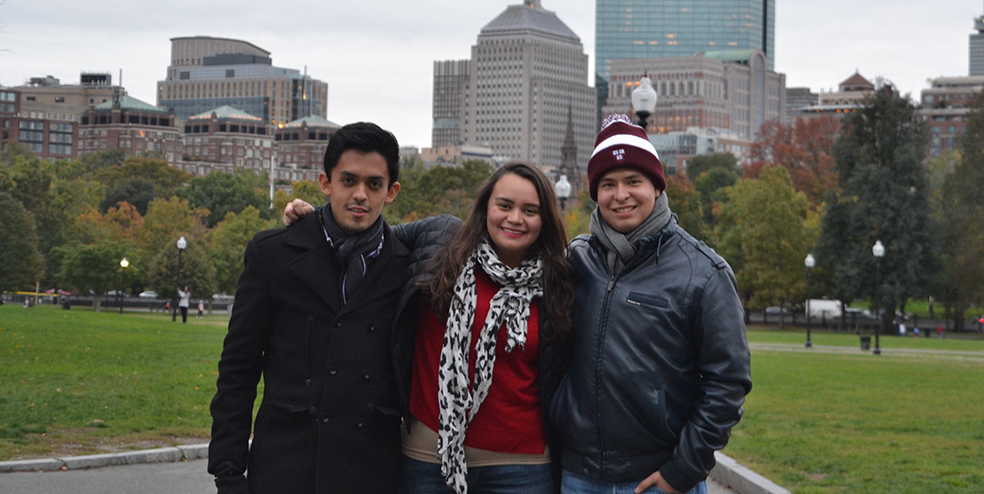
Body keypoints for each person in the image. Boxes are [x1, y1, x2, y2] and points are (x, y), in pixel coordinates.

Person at [285, 161, 574, 494]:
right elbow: (367, 238)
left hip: (522, 467)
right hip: (427, 460)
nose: (515, 218)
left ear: (545, 219)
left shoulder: (559, 280)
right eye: (504, 206)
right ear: (485, 208)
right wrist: (316, 221)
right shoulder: (440, 240)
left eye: (530, 210)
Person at [550, 114, 751, 494]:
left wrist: (682, 471)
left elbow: (728, 382)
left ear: (656, 187)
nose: (620, 195)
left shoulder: (704, 273)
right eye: (608, 184)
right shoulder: (576, 260)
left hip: (658, 479)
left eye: (633, 182)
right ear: (595, 192)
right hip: (578, 476)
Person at [208, 122, 412, 494]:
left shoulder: (408, 267)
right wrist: (228, 472)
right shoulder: (273, 255)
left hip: (371, 471)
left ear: (392, 191)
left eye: (374, 184)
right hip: (287, 466)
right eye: (348, 181)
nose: (360, 195)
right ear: (325, 183)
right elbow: (238, 370)